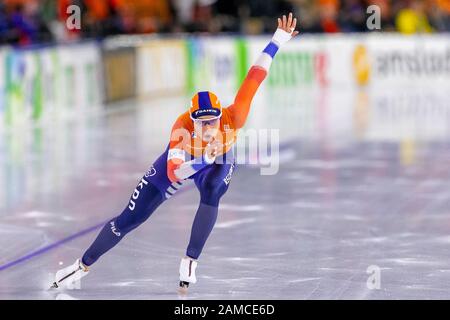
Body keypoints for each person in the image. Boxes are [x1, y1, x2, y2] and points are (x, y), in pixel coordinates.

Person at [51, 13, 299, 293]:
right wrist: (205, 157)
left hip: (216, 163)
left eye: (212, 121)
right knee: (130, 219)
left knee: (214, 189)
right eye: (202, 122)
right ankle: (81, 265)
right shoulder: (181, 129)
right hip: (186, 162)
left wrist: (278, 38)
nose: (208, 127)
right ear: (192, 121)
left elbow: (255, 75)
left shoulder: (234, 117)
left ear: (220, 116)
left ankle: (190, 260)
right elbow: (173, 172)